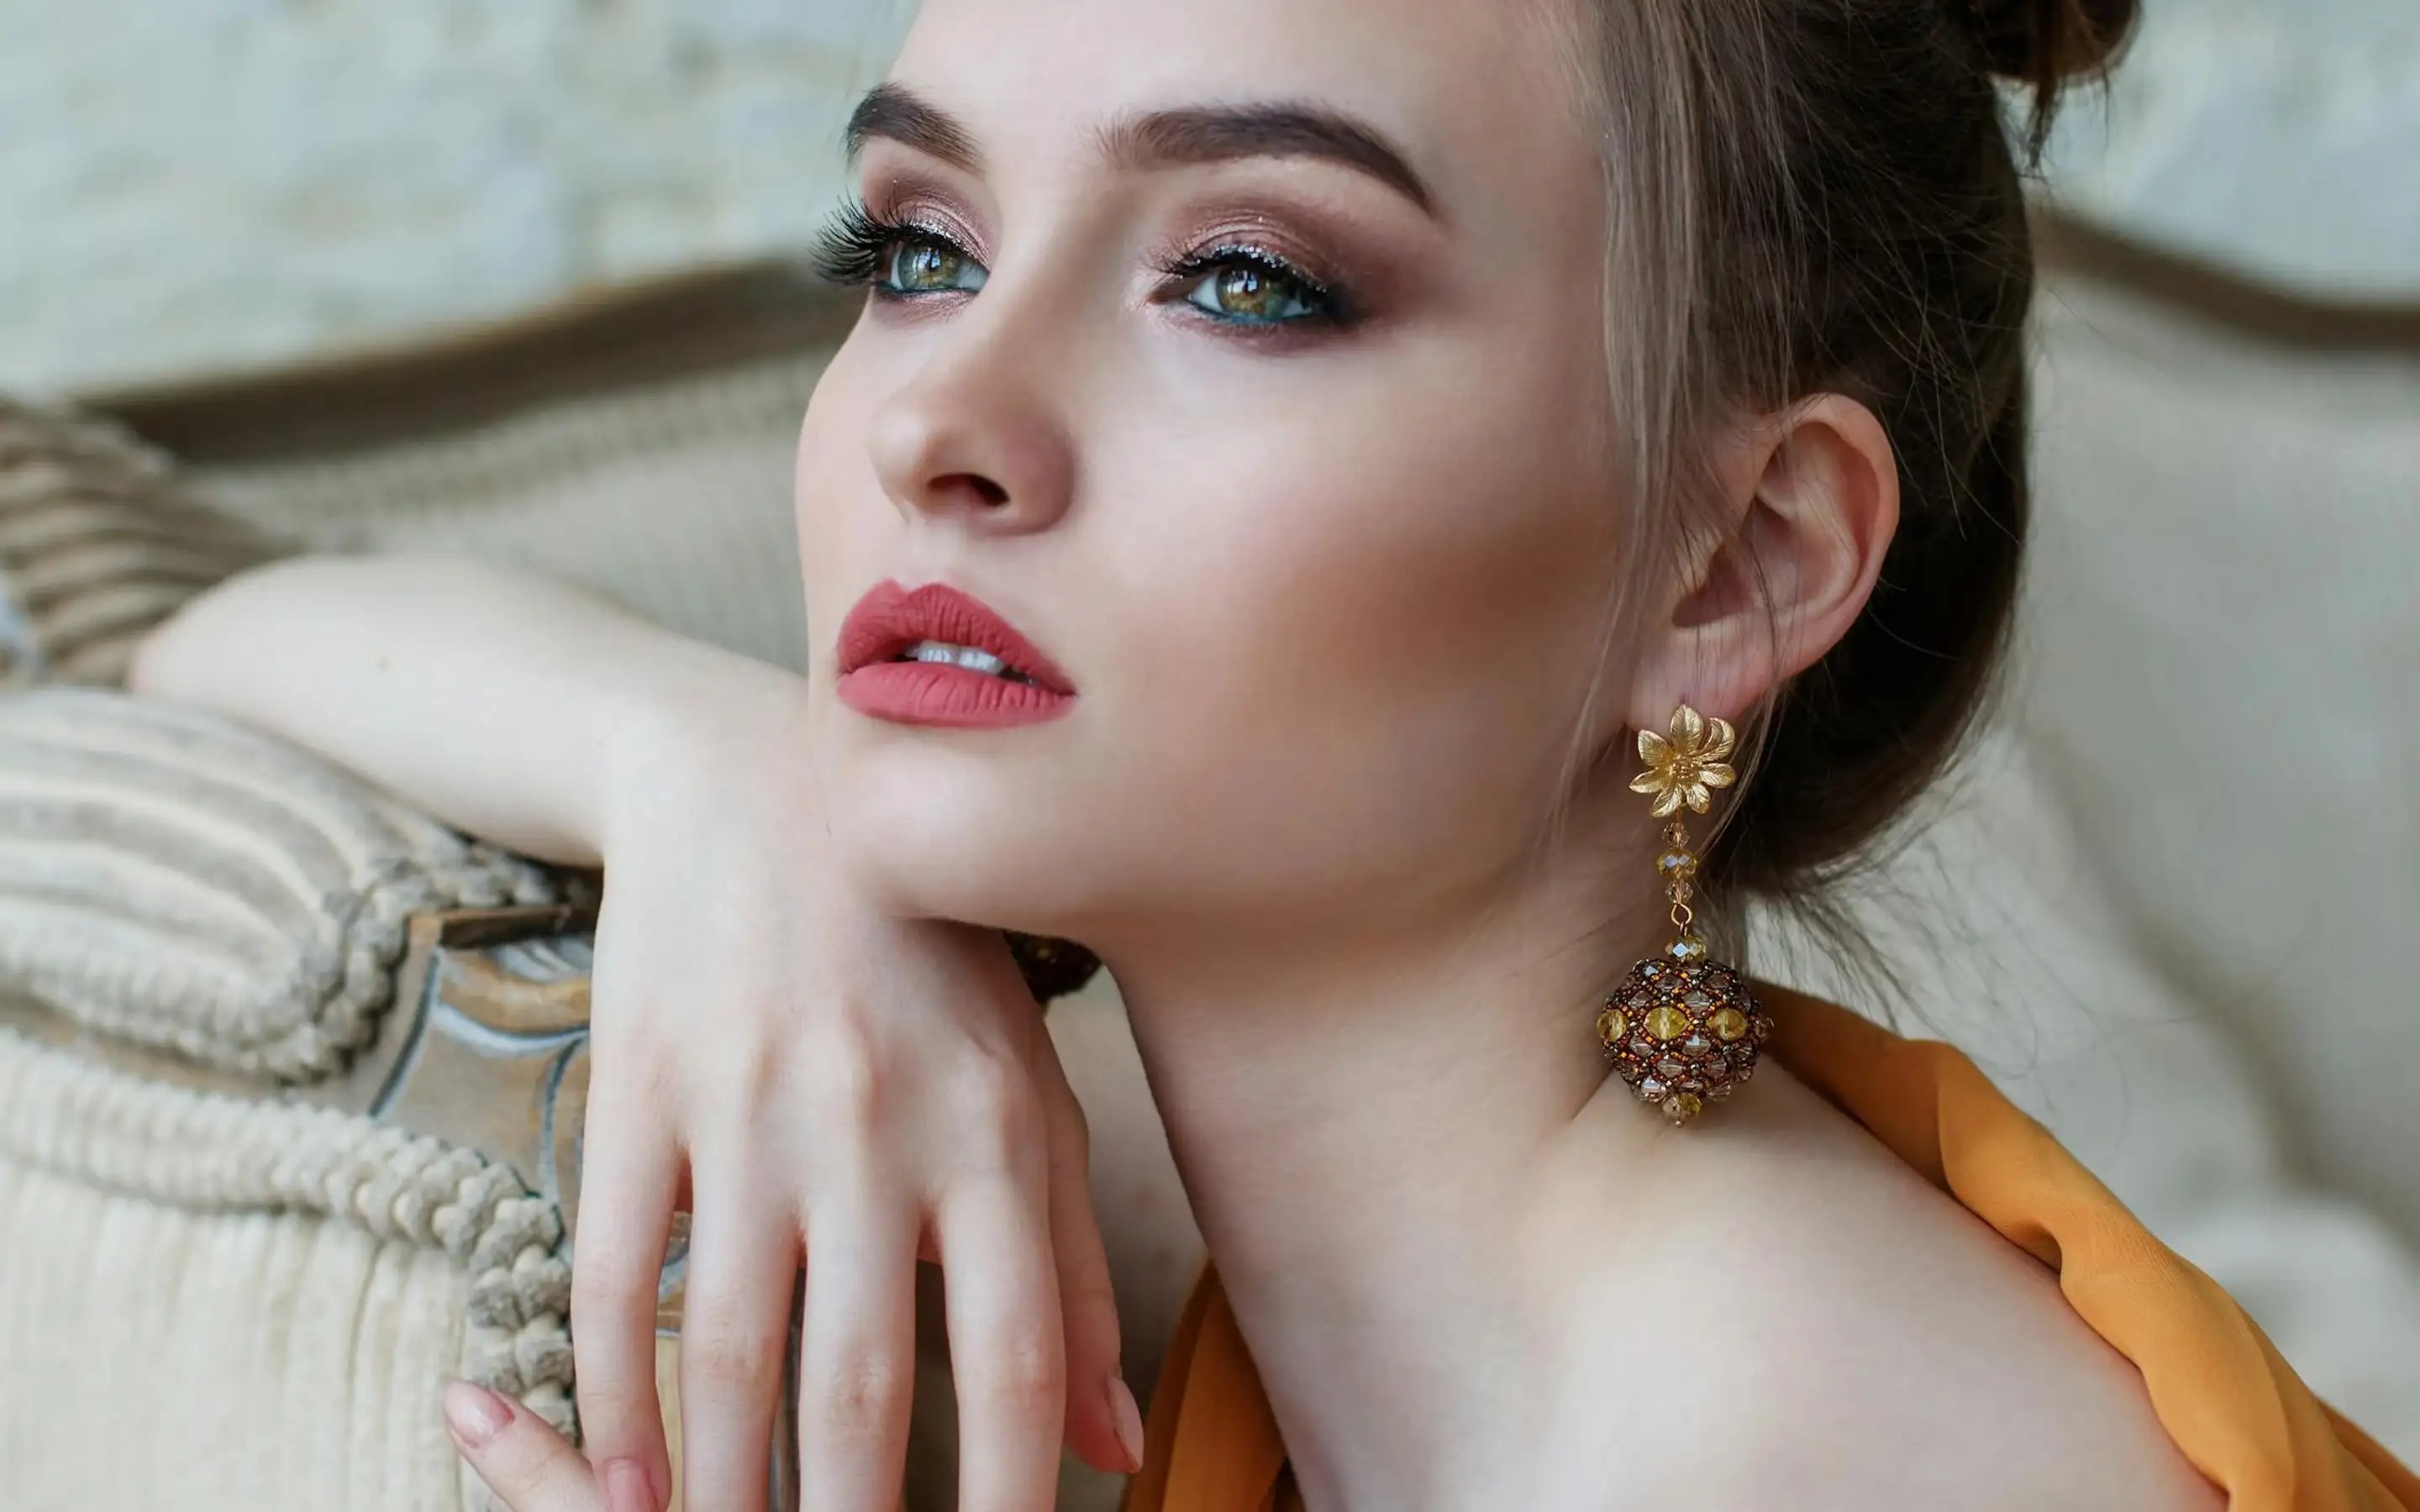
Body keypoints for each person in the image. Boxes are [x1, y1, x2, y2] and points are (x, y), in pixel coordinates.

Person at [128, 0, 2420, 1506]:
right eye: (916, 242)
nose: (939, 417)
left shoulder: (1781, 1422)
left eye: (1250, 279)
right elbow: (154, 637)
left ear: (1730, 562)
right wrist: (703, 771)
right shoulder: (1218, 1205)